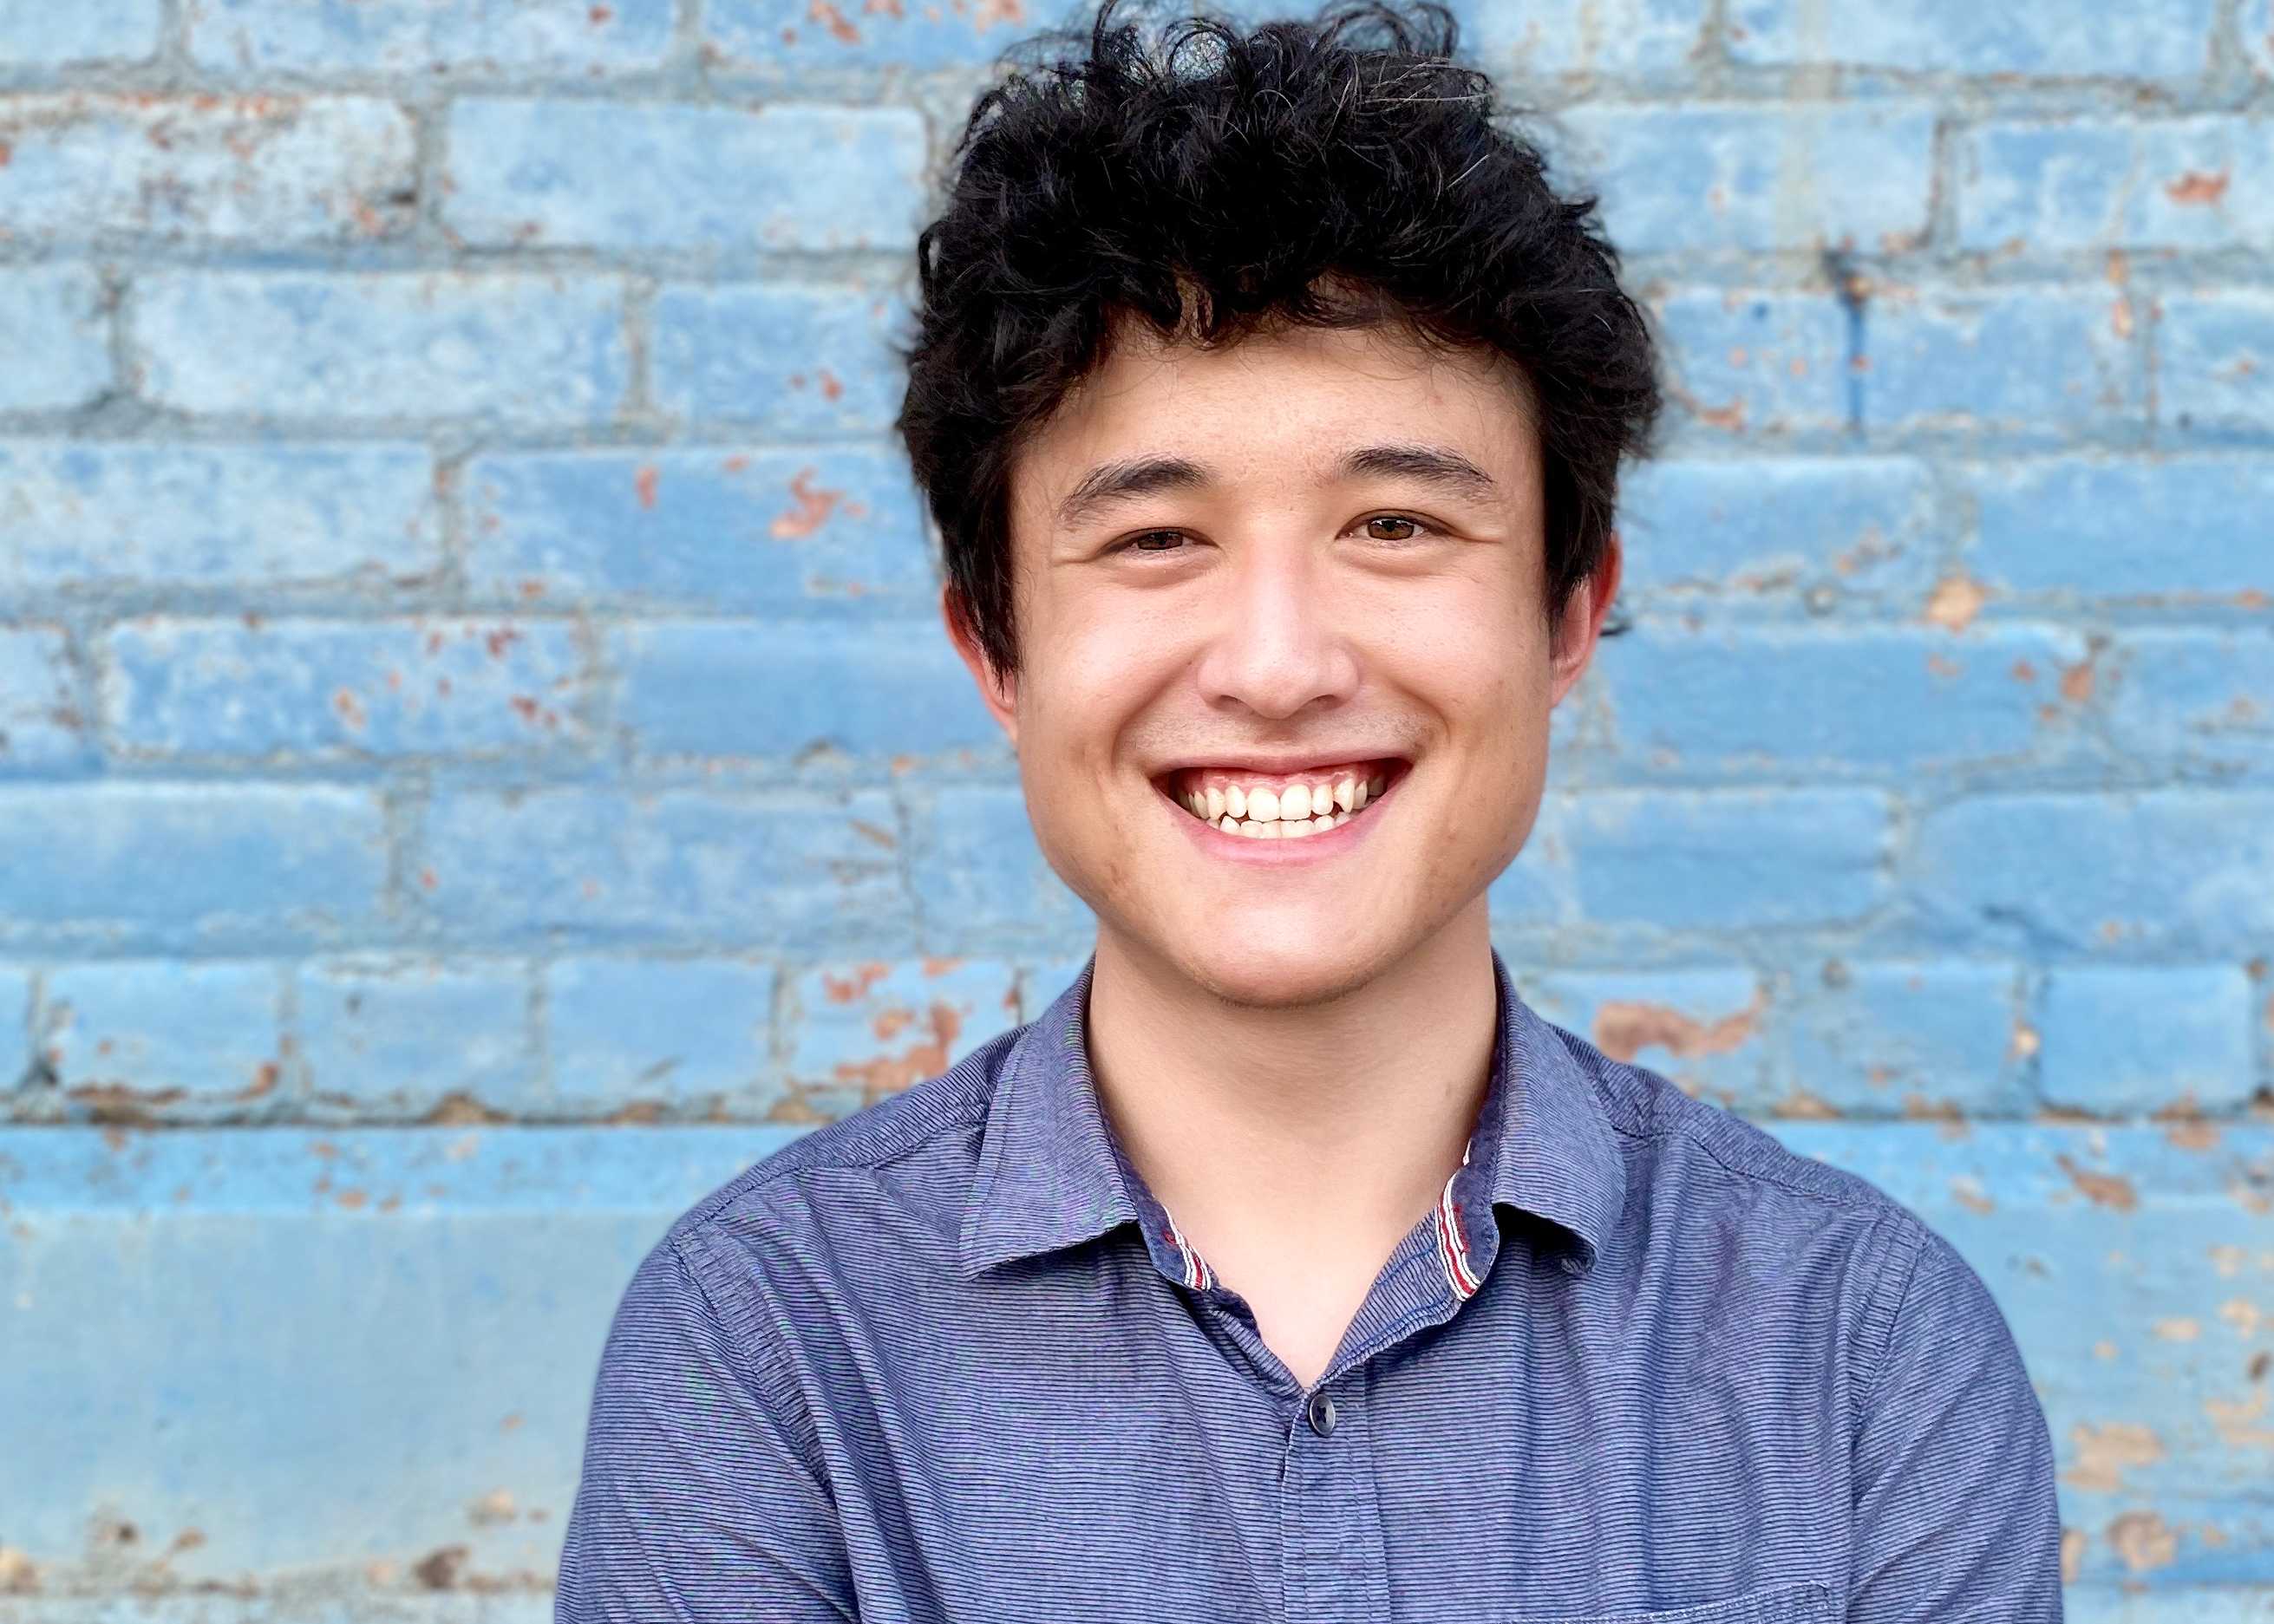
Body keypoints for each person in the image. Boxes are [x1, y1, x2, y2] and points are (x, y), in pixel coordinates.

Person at [554, 0, 2065, 1617]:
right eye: (1153, 540)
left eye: (1397, 524)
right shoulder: (770, 1342)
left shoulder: (1859, 1349)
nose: (1276, 667)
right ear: (995, 642)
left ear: (1566, 616)